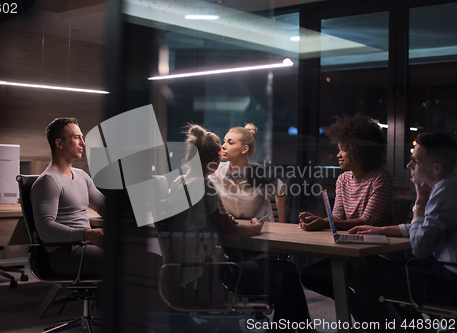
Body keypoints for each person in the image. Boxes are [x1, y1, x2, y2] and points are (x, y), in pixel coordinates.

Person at [167, 124, 310, 331]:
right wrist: (256, 227)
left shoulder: (179, 183)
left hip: (185, 274)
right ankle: (296, 329)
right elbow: (231, 229)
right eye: (221, 148)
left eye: (229, 143)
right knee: (287, 274)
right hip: (217, 275)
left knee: (283, 274)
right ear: (215, 160)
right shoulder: (207, 186)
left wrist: (219, 219)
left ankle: (300, 328)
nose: (224, 149)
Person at [348, 132, 457, 331]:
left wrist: (419, 204)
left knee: (365, 276)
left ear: (437, 167)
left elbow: (420, 247)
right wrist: (379, 229)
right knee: (380, 268)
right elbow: (425, 229)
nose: (409, 166)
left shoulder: (445, 189)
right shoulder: (451, 184)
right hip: (445, 271)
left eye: (415, 161)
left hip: (448, 280)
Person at [299, 114, 393, 300]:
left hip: (377, 252)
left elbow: (366, 222)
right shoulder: (343, 179)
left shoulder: (381, 178)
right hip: (351, 249)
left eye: (343, 149)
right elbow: (338, 217)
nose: (338, 155)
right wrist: (320, 221)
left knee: (355, 278)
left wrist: (323, 223)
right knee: (310, 276)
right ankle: (357, 309)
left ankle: (362, 313)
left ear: (359, 150)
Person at [31, 117, 105, 276]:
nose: (83, 143)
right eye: (77, 137)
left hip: (86, 246)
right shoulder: (48, 181)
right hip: (64, 254)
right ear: (59, 143)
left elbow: (105, 207)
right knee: (128, 259)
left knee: (140, 253)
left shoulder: (81, 176)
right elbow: (45, 229)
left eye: (82, 137)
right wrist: (87, 233)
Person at [209, 123, 287, 223]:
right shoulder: (215, 171)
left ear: (244, 149)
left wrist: (282, 224)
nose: (223, 146)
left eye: (230, 143)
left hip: (262, 230)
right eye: (224, 142)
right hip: (230, 230)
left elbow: (280, 190)